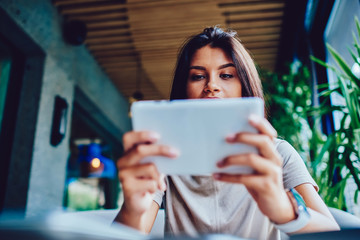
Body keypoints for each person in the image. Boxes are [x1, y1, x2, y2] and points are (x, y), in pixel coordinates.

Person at [114, 27, 340, 239]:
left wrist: (284, 210)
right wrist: (133, 206)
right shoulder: (164, 156)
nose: (211, 85)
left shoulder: (278, 153)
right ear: (184, 90)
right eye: (198, 76)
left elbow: (333, 235)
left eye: (226, 75)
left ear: (244, 86)